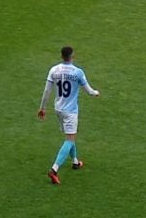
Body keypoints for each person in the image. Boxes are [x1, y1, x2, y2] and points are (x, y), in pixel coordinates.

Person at [37, 46, 100, 186]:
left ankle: (75, 162)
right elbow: (89, 91)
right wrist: (96, 93)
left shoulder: (54, 70)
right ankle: (54, 170)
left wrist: (42, 108)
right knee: (70, 139)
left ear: (61, 56)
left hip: (58, 109)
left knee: (70, 136)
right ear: (73, 56)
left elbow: (47, 91)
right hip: (70, 111)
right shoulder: (78, 72)